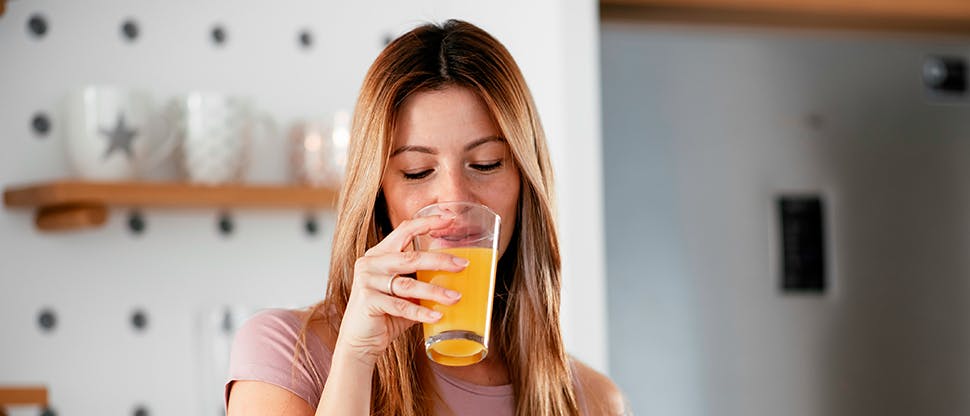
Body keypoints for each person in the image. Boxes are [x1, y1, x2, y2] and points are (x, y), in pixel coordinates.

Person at [225, 19, 626, 415]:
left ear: (525, 181)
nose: (453, 200)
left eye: (486, 164)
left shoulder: (592, 400)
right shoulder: (284, 354)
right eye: (417, 171)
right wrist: (356, 357)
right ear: (379, 193)